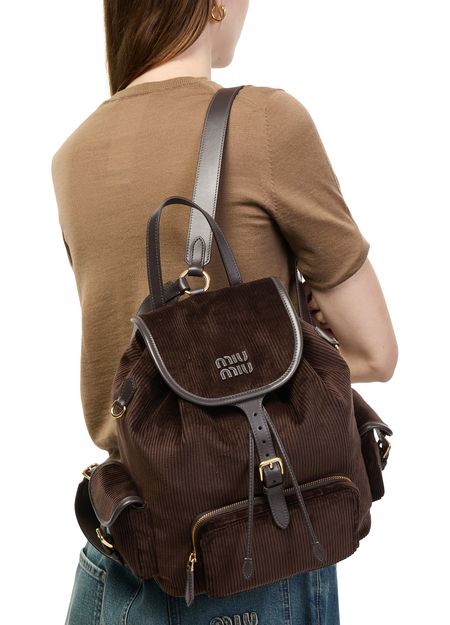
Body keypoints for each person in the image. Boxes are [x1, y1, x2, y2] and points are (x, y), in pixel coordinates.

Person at [51, 1, 398, 624]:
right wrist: (298, 319)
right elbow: (375, 353)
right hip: (249, 555)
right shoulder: (266, 121)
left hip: (120, 549)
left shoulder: (72, 155)